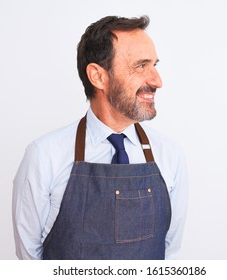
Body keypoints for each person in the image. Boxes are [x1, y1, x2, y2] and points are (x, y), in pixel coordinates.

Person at [12, 15, 189, 260]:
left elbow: (169, 256)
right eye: (140, 65)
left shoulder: (169, 155)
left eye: (154, 65)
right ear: (97, 76)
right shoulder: (44, 156)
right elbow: (29, 261)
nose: (157, 81)